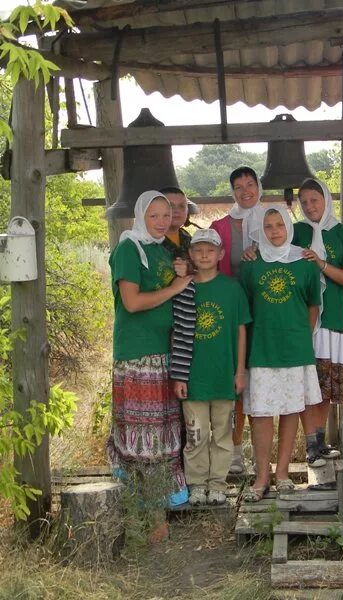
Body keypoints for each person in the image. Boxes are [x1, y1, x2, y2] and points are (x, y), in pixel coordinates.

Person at [107, 190, 193, 540]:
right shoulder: (129, 249)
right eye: (153, 215)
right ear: (141, 215)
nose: (161, 221)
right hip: (139, 354)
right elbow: (131, 302)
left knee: (161, 433)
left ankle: (159, 509)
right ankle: (148, 515)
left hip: (165, 351)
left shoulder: (162, 249)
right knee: (144, 436)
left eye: (166, 214)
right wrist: (174, 288)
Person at [239, 205, 323, 499]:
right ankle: (262, 477)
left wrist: (302, 333)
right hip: (261, 347)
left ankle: (283, 472)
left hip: (295, 348)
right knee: (261, 413)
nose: (275, 231)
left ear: (289, 227)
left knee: (291, 408)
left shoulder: (304, 262)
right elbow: (244, 308)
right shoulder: (250, 264)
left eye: (280, 225)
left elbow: (314, 304)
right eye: (269, 226)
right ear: (260, 231)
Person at [170, 229, 250, 506]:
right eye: (199, 250)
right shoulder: (184, 287)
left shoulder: (231, 288)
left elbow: (241, 330)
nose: (204, 255)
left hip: (223, 376)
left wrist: (240, 371)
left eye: (210, 250)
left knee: (223, 433)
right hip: (193, 377)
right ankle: (197, 484)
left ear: (221, 254)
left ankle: (218, 483)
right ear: (191, 254)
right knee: (196, 434)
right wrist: (178, 375)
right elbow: (177, 331)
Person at [292, 178, 343, 466]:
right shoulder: (295, 231)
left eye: (315, 199)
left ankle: (320, 439)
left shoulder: (342, 233)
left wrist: (321, 264)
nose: (310, 206)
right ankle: (310, 445)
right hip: (304, 318)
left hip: (334, 316)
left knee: (324, 384)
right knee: (308, 383)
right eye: (304, 202)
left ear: (326, 200)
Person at [210, 166, 263, 475]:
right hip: (233, 317)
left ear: (259, 186)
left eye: (250, 184)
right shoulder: (220, 226)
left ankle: (261, 454)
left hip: (267, 315)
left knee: (262, 384)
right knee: (237, 385)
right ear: (232, 191)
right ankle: (234, 453)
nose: (245, 190)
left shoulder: (274, 221)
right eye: (239, 186)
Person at [160, 187, 194, 260]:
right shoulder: (148, 242)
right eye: (170, 206)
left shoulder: (188, 238)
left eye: (181, 206)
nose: (176, 210)